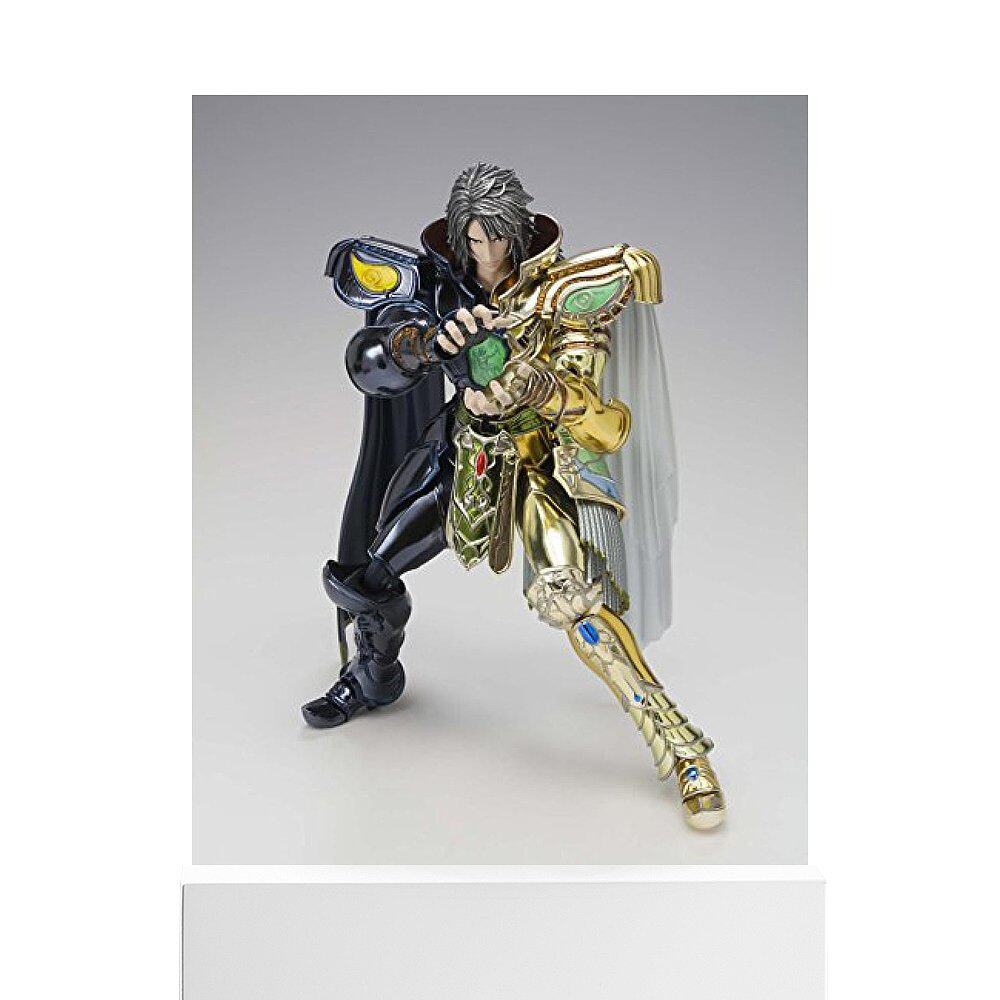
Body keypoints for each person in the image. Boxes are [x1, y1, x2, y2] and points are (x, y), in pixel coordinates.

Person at [303, 163, 726, 830]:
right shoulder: (441, 288)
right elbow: (368, 362)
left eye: (498, 238)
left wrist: (541, 388)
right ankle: (374, 674)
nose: (488, 254)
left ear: (519, 235)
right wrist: (422, 343)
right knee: (373, 571)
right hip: (460, 458)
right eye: (474, 241)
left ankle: (678, 745)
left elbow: (604, 424)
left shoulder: (563, 298)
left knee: (570, 598)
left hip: (533, 463)